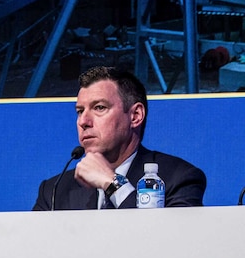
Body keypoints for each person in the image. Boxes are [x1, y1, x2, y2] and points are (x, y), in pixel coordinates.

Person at [34, 66, 205, 210]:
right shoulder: (54, 191)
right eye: (80, 111)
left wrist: (113, 184)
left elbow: (172, 243)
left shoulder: (179, 178)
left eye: (99, 107)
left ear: (135, 116)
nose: (83, 121)